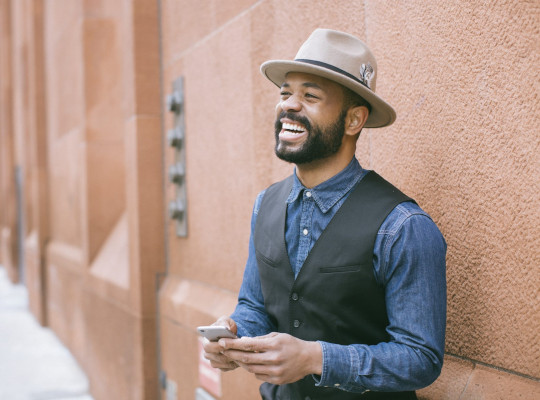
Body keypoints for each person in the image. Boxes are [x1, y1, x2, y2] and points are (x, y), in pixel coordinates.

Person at [203, 28, 447, 400]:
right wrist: (235, 335)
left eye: (310, 96)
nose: (289, 105)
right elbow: (255, 305)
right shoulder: (265, 205)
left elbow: (420, 358)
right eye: (285, 93)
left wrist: (315, 358)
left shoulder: (402, 227)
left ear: (354, 120)